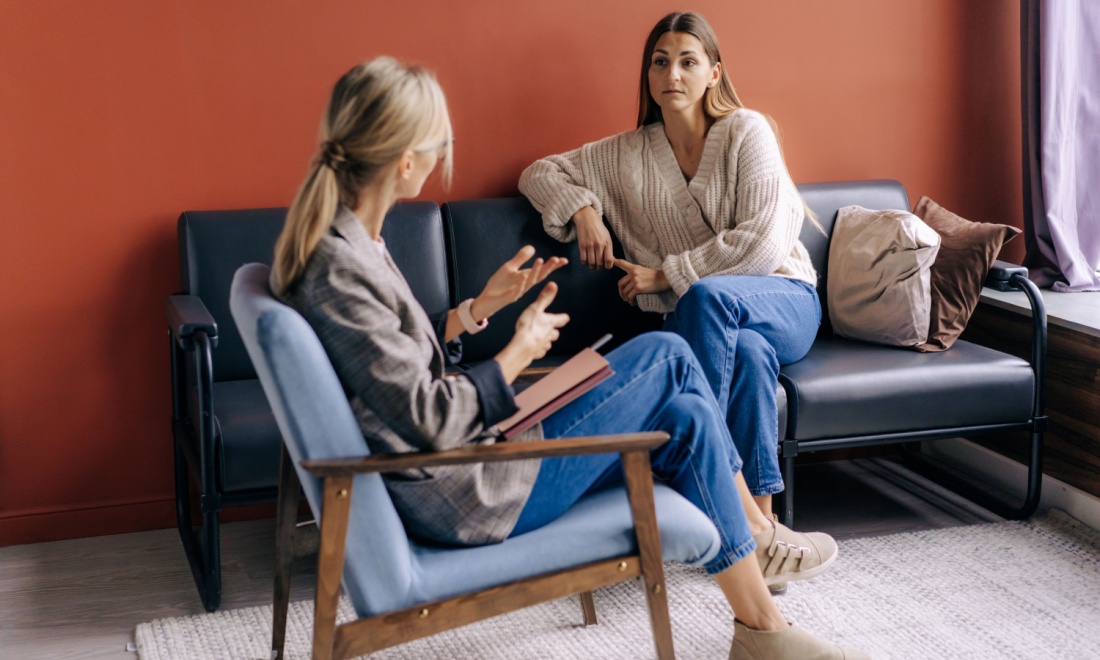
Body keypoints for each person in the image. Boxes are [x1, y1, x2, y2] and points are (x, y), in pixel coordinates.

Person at [271, 56, 866, 659]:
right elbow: (427, 415)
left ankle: (759, 629)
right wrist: (515, 354)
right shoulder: (339, 265)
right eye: (440, 143)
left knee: (685, 413)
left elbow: (392, 358)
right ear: (405, 159)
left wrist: (477, 309)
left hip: (471, 458)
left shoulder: (348, 244)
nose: (441, 155)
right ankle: (759, 533)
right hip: (469, 489)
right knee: (667, 355)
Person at [519, 11, 826, 591]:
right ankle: (762, 525)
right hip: (718, 319)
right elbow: (540, 172)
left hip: (783, 296)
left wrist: (665, 274)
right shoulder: (626, 154)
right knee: (752, 356)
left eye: (688, 61)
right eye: (660, 62)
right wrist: (585, 209)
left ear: (714, 72)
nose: (673, 73)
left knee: (712, 303)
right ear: (648, 74)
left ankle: (711, 497)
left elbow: (762, 243)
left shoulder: (747, 131)